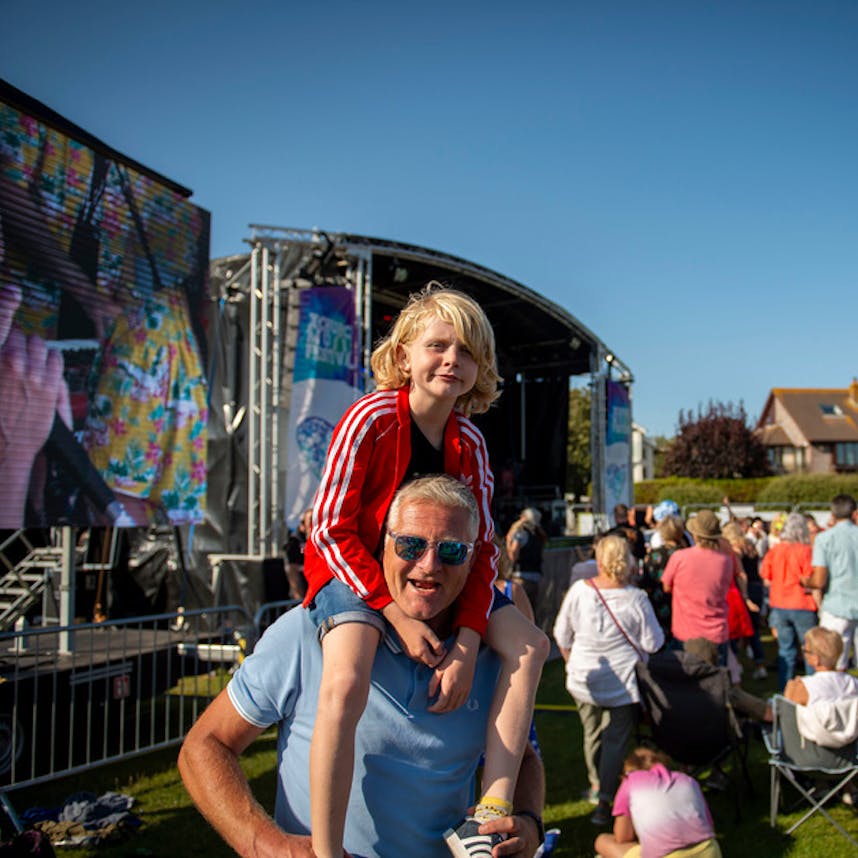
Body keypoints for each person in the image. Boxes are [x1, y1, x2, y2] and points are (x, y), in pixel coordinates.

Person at [302, 284, 549, 858]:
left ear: (479, 368)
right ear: (404, 354)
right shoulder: (368, 418)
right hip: (357, 574)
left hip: (437, 578)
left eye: (467, 352)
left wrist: (466, 641)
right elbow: (330, 528)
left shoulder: (472, 443)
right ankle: (327, 850)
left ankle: (489, 813)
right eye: (438, 345)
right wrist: (393, 613)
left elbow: (482, 548)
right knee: (345, 679)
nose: (451, 360)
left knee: (531, 646)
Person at [178, 475, 546, 858]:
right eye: (410, 545)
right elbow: (206, 744)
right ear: (382, 545)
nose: (429, 565)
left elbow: (524, 758)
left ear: (474, 562)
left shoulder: (493, 653)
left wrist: (528, 822)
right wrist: (266, 844)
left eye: (451, 550)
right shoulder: (309, 633)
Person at [553, 534, 664, 827]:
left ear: (599, 561)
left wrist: (571, 662)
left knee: (592, 734)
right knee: (614, 740)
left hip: (584, 677)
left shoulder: (579, 590)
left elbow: (561, 634)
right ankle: (604, 798)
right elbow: (654, 642)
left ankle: (597, 786)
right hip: (622, 683)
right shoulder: (636, 598)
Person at [594, 747, 721, 858]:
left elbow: (622, 837)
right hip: (710, 851)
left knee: (602, 841)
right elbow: (709, 826)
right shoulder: (688, 780)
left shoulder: (630, 782)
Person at [661, 510, 733, 664]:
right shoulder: (725, 561)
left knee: (687, 677)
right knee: (717, 676)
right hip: (717, 632)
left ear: (695, 534)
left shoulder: (679, 557)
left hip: (686, 633)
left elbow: (666, 586)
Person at [760, 512, 818, 690]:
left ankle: (785, 689)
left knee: (786, 651)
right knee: (810, 650)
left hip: (779, 604)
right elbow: (811, 578)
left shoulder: (774, 550)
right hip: (802, 604)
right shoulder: (806, 551)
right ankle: (812, 690)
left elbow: (766, 577)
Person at [802, 494, 858, 670]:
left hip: (837, 605)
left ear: (832, 514)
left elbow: (819, 580)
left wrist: (806, 581)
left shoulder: (825, 538)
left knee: (832, 661)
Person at [784, 626, 858, 749]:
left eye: (805, 650)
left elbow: (786, 718)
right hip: (849, 751)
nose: (803, 652)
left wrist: (790, 689)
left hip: (809, 750)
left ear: (816, 659)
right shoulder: (854, 684)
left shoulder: (802, 687)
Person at [640, 515, 685, 637]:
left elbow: (647, 581)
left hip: (659, 602)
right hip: (682, 603)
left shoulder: (655, 554)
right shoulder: (686, 553)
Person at [505, 507, 547, 610]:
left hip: (521, 578)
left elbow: (513, 555)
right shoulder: (539, 535)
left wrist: (508, 541)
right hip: (536, 578)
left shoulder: (521, 533)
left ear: (523, 517)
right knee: (531, 611)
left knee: (519, 612)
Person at [284, 508, 312, 600]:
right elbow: (293, 568)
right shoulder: (294, 541)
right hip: (303, 588)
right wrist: (298, 596)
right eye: (311, 521)